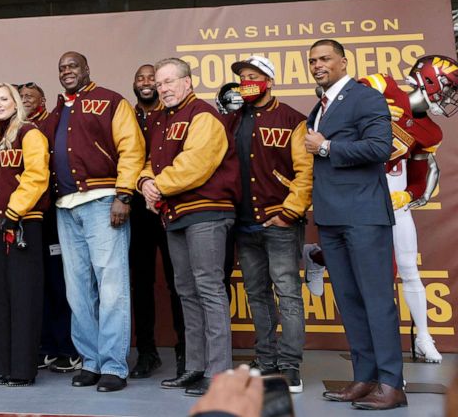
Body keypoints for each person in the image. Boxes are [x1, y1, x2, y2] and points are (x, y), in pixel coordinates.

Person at [305, 39, 405, 410]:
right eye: (312, 60)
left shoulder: (364, 97)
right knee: (349, 302)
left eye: (325, 58)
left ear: (343, 61)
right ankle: (366, 378)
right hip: (331, 218)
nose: (317, 64)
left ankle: (392, 384)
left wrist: (328, 147)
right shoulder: (319, 107)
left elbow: (381, 148)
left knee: (377, 301)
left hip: (364, 215)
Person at [43, 52, 146, 392]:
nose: (67, 71)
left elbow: (132, 149)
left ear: (87, 69)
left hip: (103, 202)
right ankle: (91, 361)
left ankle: (114, 366)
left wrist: (124, 194)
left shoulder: (110, 101)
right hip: (65, 207)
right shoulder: (57, 110)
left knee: (111, 287)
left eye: (73, 66)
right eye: (61, 68)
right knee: (77, 291)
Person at [140, 57, 239, 396]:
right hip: (175, 214)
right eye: (160, 83)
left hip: (207, 212)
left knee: (209, 289)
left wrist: (158, 186)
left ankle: (219, 372)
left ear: (187, 82)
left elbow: (195, 164)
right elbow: (148, 163)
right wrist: (143, 183)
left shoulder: (203, 115)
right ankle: (196, 367)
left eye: (170, 81)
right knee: (186, 291)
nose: (163, 88)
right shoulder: (161, 122)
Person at [357, 55, 458, 364]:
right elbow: (343, 100)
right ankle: (316, 257)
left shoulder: (432, 133)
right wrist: (371, 108)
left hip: (391, 193)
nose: (450, 98)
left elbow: (418, 176)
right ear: (430, 81)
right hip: (357, 189)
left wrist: (409, 195)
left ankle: (423, 337)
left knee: (408, 268)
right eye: (449, 89)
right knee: (352, 264)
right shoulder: (383, 85)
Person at [222, 56, 312, 392]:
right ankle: (266, 359)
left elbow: (306, 171)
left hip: (281, 222)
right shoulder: (230, 121)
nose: (247, 82)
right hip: (244, 225)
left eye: (254, 77)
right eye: (243, 77)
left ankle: (289, 367)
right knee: (256, 295)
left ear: (270, 81)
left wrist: (290, 211)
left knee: (288, 293)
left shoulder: (292, 119)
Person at [0, 82, 50, 387]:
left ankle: (24, 370)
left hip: (23, 223)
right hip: (1, 225)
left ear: (16, 102)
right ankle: (7, 366)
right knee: (5, 296)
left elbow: (36, 177)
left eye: (4, 99)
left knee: (24, 297)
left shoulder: (30, 133)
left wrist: (13, 213)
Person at [128, 63, 187, 379]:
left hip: (169, 203)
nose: (147, 82)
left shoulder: (172, 114)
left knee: (179, 279)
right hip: (136, 208)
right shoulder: (125, 114)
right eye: (141, 78)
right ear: (134, 84)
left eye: (153, 77)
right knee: (141, 282)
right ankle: (147, 352)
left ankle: (185, 351)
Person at [18, 81, 80, 374]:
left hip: (55, 214)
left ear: (42, 99)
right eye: (21, 97)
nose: (25, 100)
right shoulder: (13, 128)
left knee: (59, 282)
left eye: (30, 96)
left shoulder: (51, 121)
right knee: (36, 284)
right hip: (27, 218)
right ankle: (44, 346)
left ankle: (67, 347)